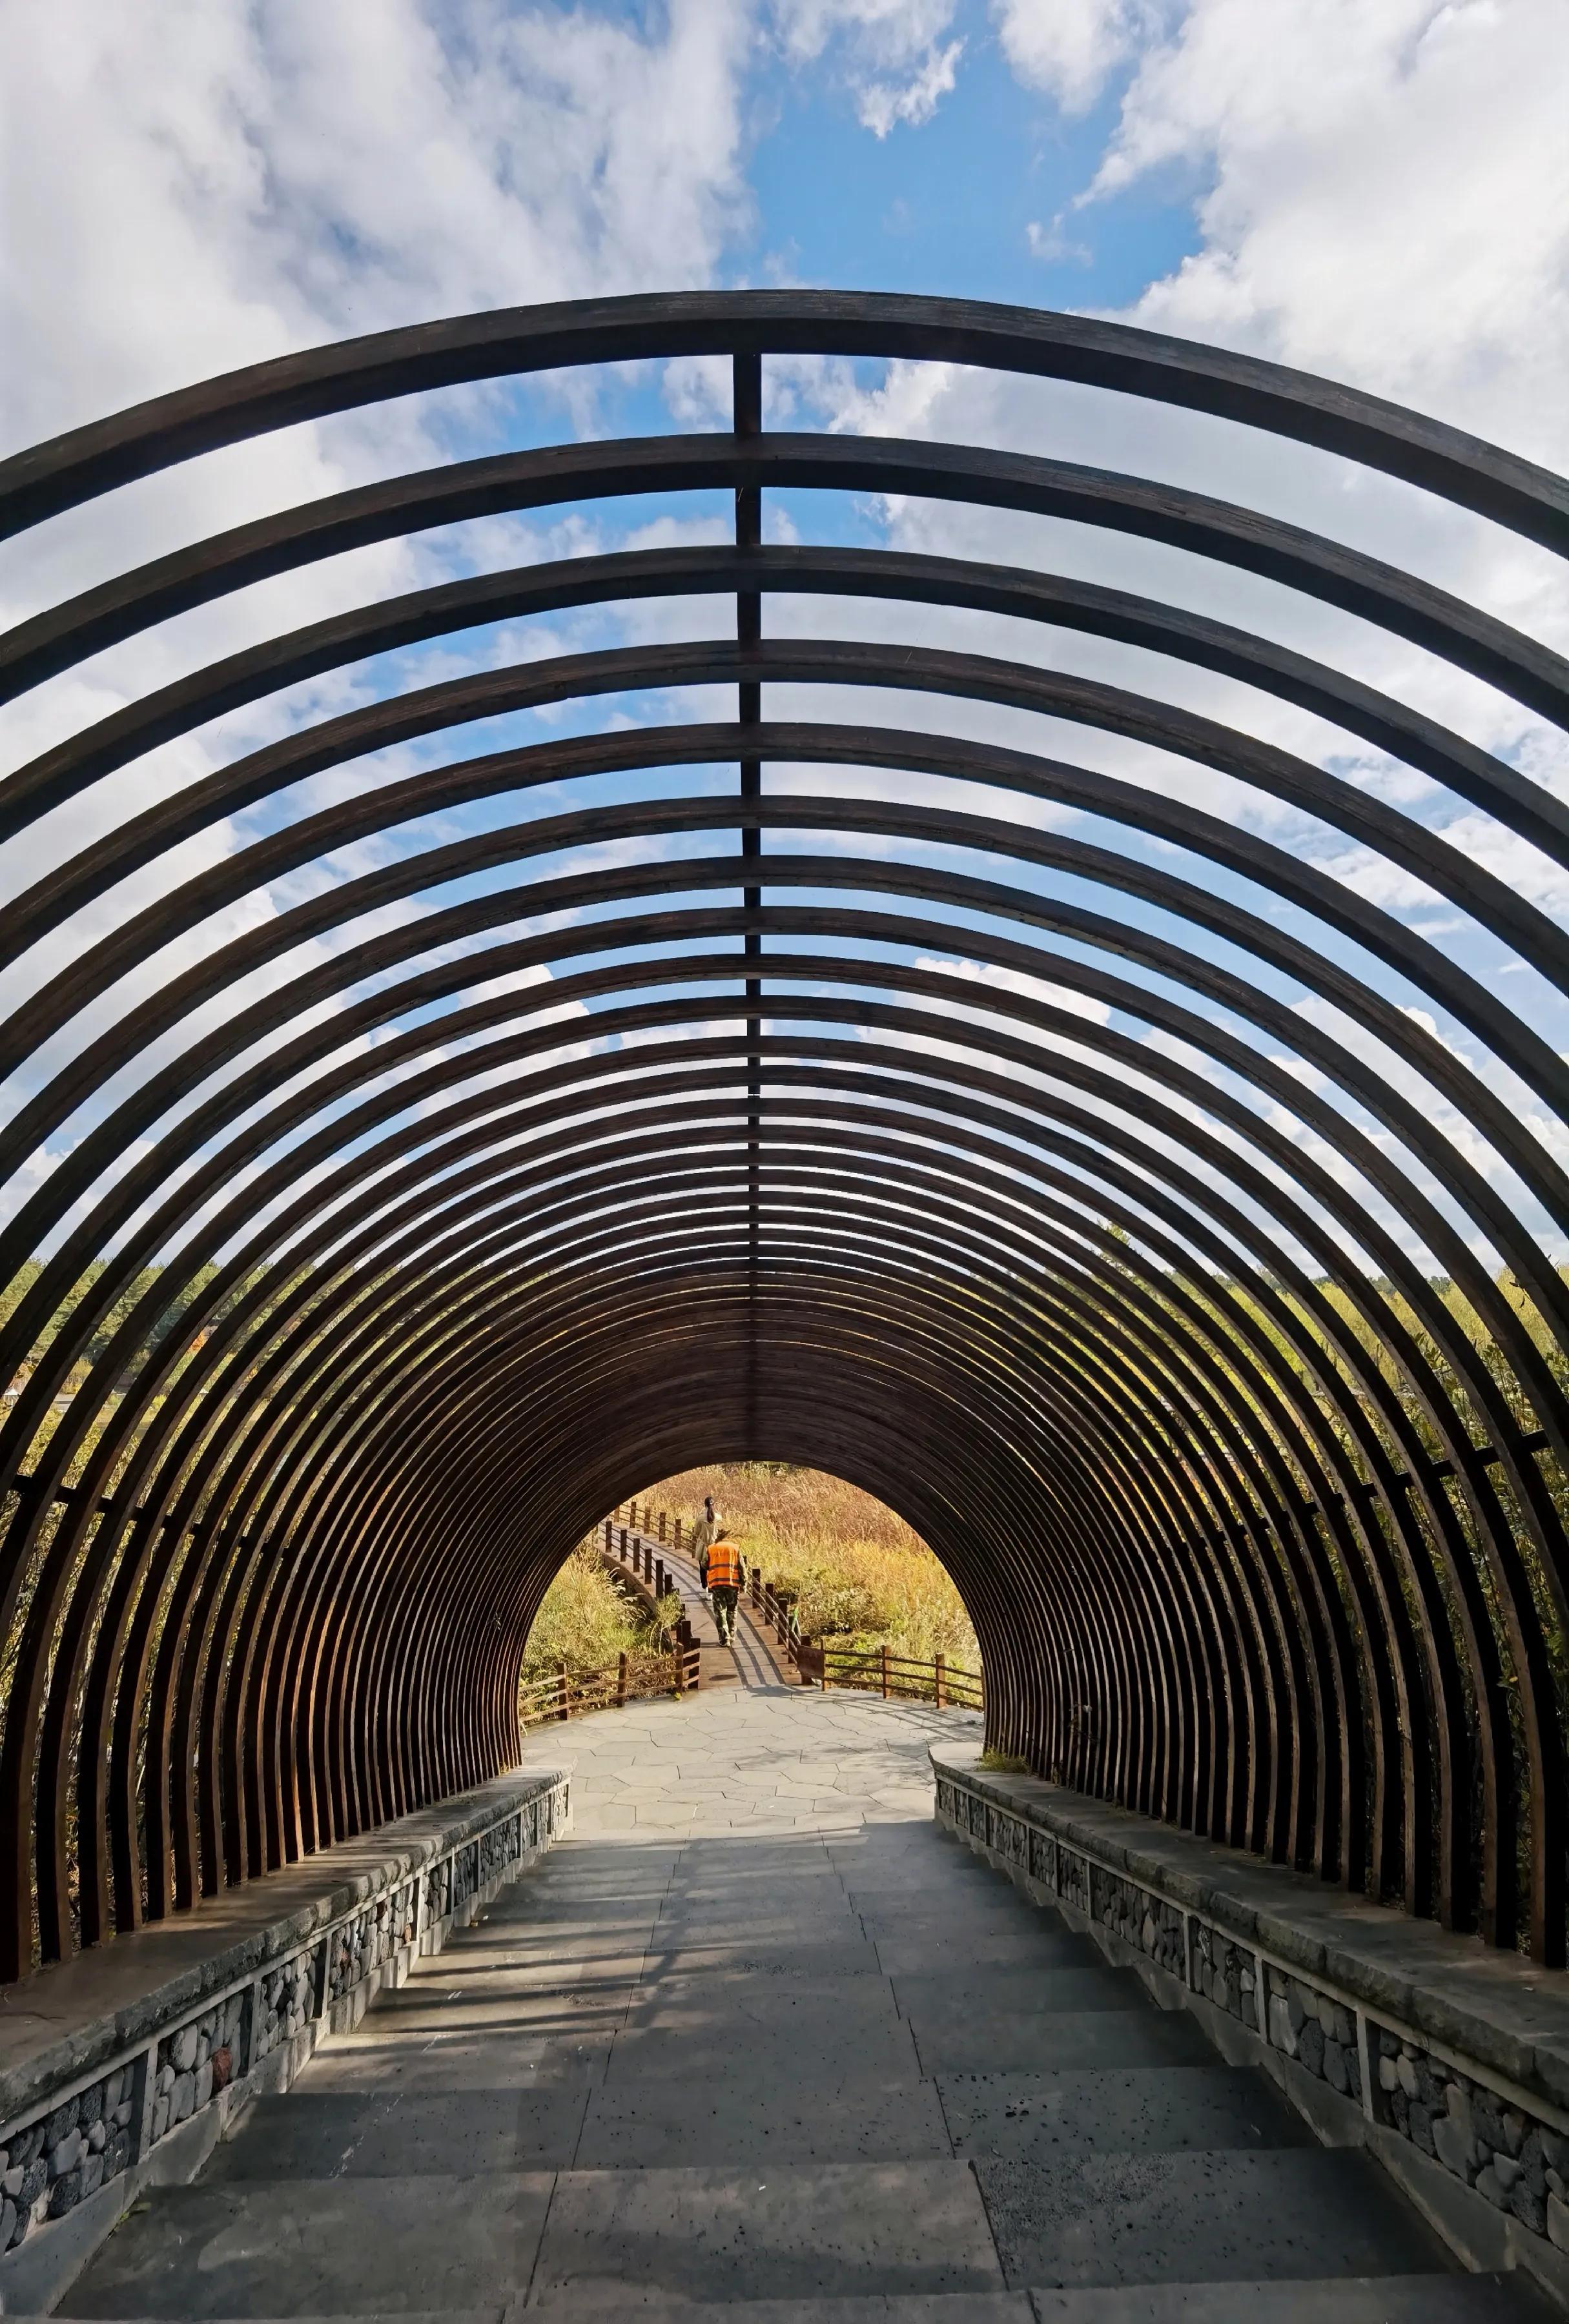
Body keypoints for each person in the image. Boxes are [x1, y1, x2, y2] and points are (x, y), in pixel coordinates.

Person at [701, 1523, 745, 1647]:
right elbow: (742, 1568)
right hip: (732, 1584)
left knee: (720, 1611)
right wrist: (744, 1584)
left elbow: (704, 1564)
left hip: (717, 1584)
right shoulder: (735, 1548)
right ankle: (731, 1636)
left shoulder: (712, 1548)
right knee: (732, 1610)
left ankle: (724, 1638)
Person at [689, 1494, 720, 1564]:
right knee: (714, 1569)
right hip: (715, 1547)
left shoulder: (700, 1518)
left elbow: (696, 1532)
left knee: (703, 1571)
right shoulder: (718, 1518)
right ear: (714, 1505)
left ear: (705, 1505)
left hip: (703, 1548)